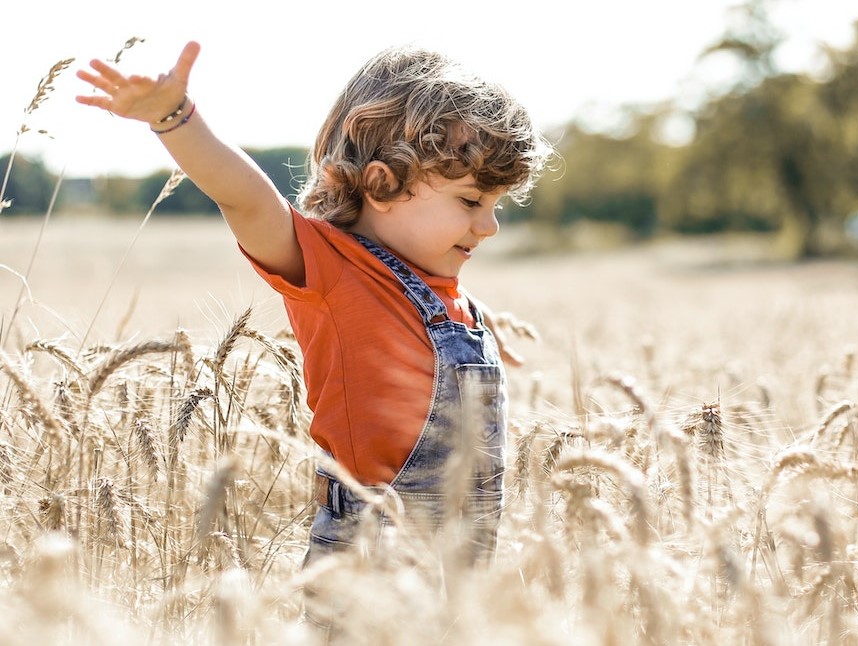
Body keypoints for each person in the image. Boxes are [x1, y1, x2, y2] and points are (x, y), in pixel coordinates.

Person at [75, 42, 552, 570]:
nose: (490, 226)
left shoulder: (446, 295)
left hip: (463, 564)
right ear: (381, 183)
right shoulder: (332, 269)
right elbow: (247, 199)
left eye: (496, 205)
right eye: (470, 201)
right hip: (370, 559)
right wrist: (174, 118)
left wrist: (479, 330)